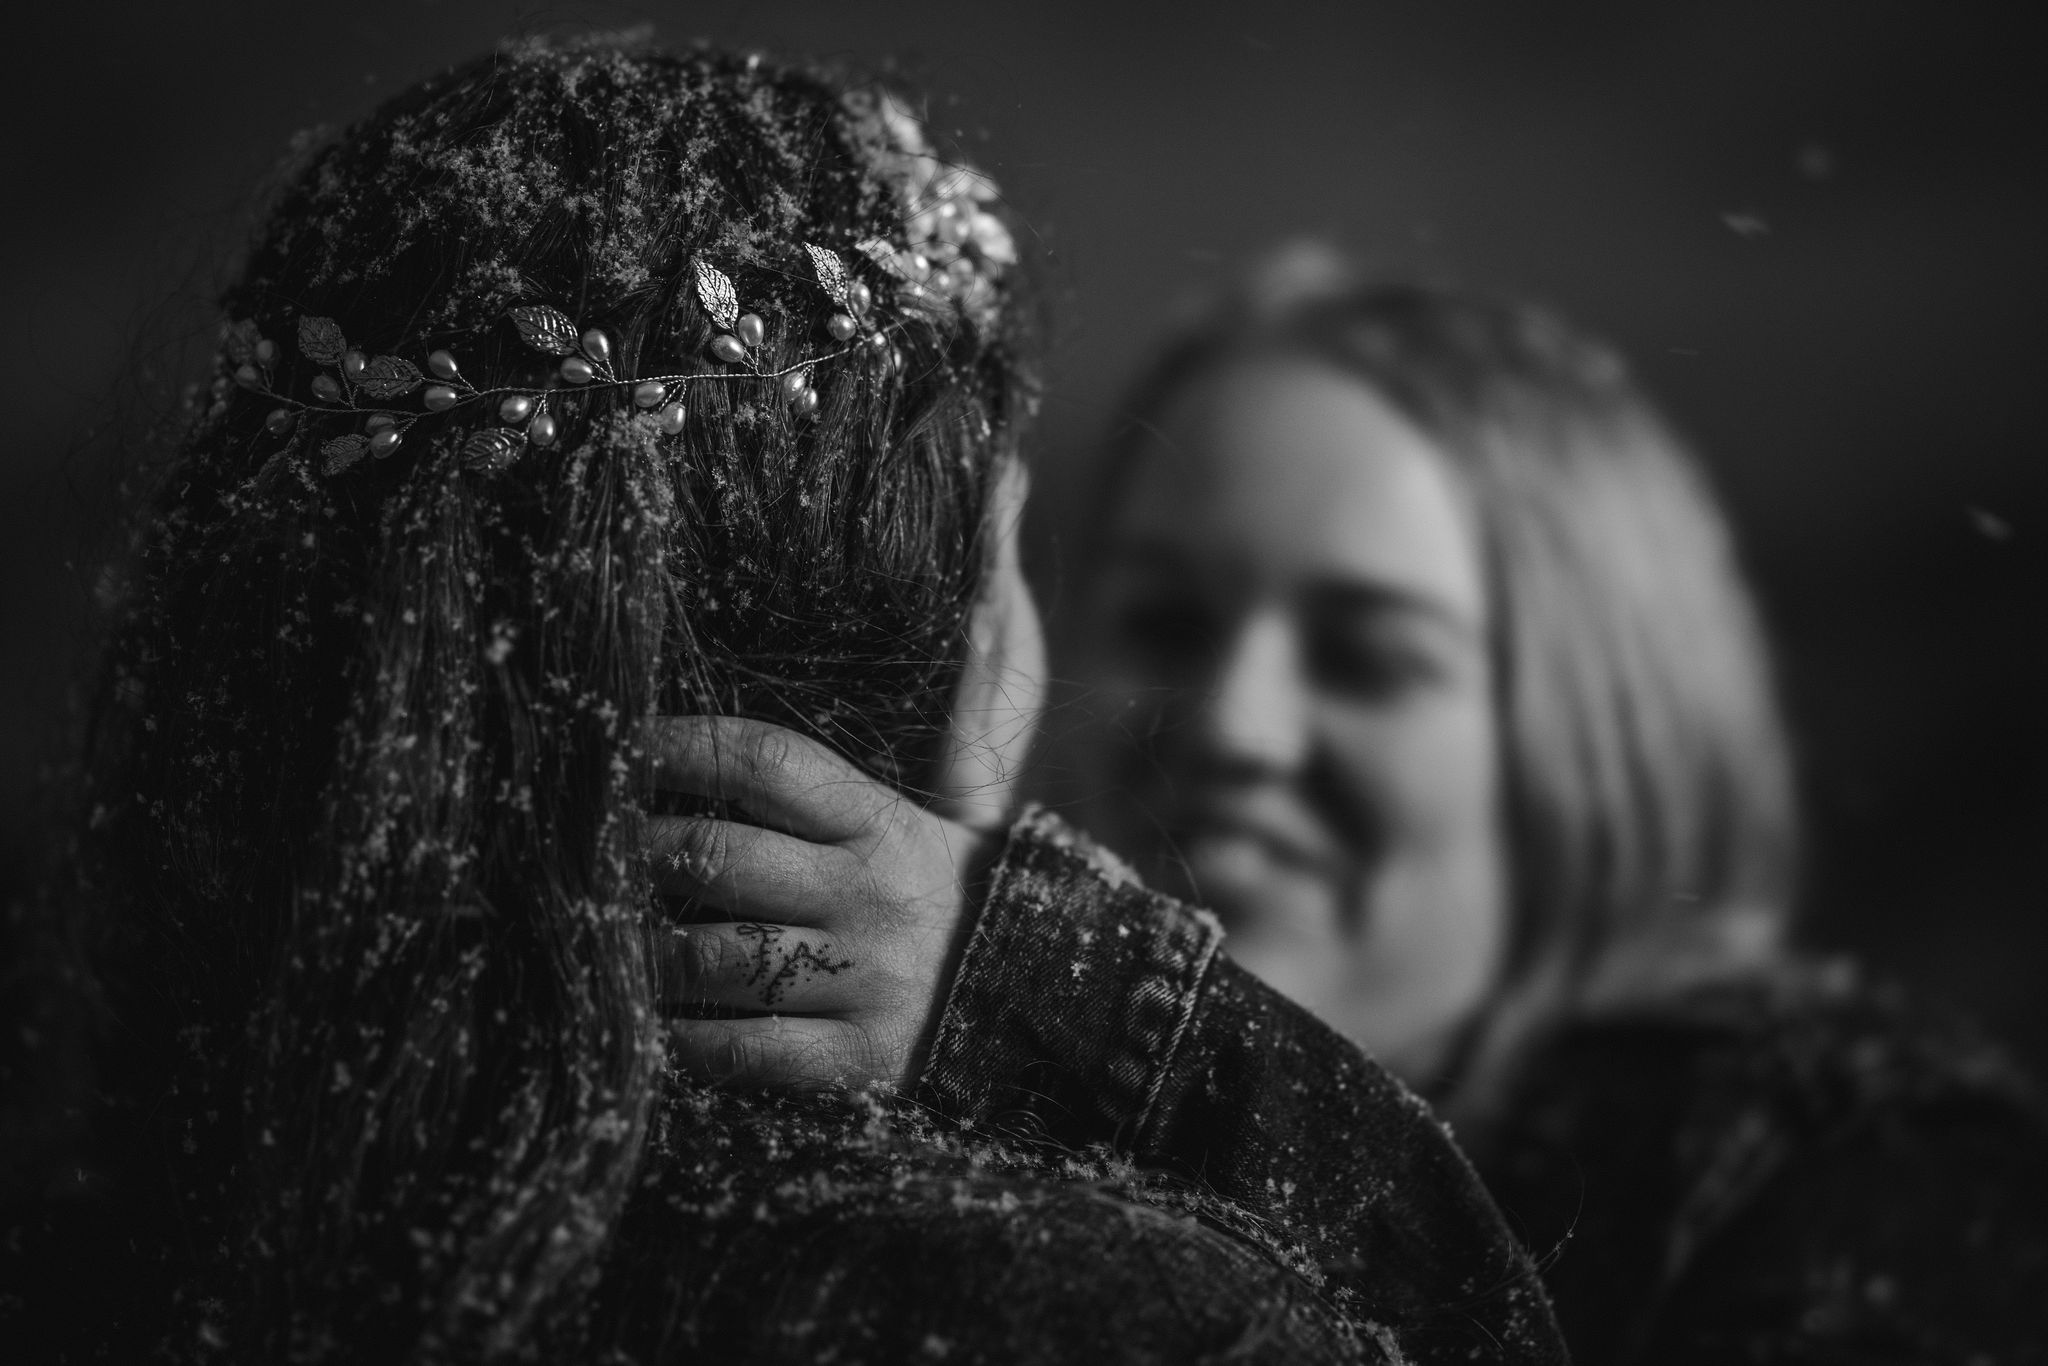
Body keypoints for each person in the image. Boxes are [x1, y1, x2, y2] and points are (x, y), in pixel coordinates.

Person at [2, 41, 1571, 1365]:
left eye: (1375, 651)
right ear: (958, 632)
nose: (1233, 725)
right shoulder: (1120, 1311)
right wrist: (1080, 999)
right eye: (1037, 552)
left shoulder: (108, 1237)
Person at [691, 252, 2048, 1363]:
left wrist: (1065, 1013)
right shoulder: (922, 1035)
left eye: (1369, 654)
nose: (1232, 726)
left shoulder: (1867, 1159)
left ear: (1603, 733)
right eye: (1163, 622)